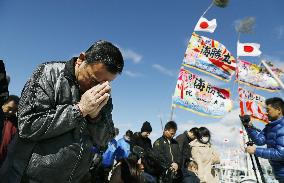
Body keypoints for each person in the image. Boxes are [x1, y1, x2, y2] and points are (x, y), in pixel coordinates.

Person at [0, 40, 124, 183]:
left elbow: (103, 142)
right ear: (81, 59)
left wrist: (95, 118)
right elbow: (27, 126)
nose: (96, 88)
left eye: (105, 83)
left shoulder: (103, 96)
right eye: (93, 80)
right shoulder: (48, 74)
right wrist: (79, 110)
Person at [244, 97, 284, 182]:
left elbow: (280, 153)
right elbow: (259, 141)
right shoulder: (270, 127)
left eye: (268, 110)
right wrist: (249, 127)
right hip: (280, 174)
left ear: (278, 110)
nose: (266, 113)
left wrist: (255, 151)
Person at [0, 95, 19, 166]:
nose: (11, 112)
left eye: (15, 110)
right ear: (4, 104)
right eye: (9, 108)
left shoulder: (15, 124)